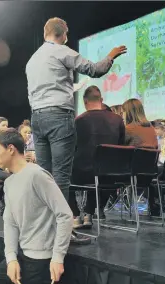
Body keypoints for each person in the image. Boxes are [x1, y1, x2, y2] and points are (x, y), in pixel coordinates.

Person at [25, 17, 126, 204]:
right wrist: (111, 55)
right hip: (58, 117)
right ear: (62, 34)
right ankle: (62, 229)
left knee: (44, 176)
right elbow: (95, 70)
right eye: (66, 34)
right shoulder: (62, 51)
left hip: (37, 117)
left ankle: (46, 226)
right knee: (61, 177)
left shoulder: (32, 60)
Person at [0, 129, 73, 284]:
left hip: (42, 262)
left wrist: (57, 257)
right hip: (23, 256)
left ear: (10, 149)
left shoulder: (37, 175)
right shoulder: (9, 182)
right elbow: (10, 223)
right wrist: (11, 259)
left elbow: (65, 215)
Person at [69, 86, 125, 228]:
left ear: (84, 102)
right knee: (99, 170)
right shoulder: (118, 120)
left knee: (62, 174)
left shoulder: (78, 121)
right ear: (101, 100)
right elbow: (121, 147)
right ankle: (89, 213)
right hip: (111, 177)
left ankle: (75, 215)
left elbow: (71, 148)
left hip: (83, 174)